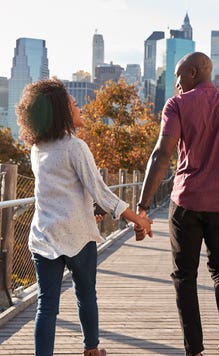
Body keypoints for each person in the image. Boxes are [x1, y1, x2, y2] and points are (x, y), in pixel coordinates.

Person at [134, 52, 219, 356]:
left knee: (184, 276)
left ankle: (194, 350)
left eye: (178, 75)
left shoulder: (177, 105)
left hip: (186, 202)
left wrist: (143, 205)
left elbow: (161, 155)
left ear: (193, 72)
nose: (176, 83)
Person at [16, 79, 152, 356]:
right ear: (61, 113)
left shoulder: (37, 150)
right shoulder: (75, 147)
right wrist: (138, 219)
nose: (80, 108)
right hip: (77, 237)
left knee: (47, 305)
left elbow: (59, 193)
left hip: (44, 237)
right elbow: (101, 192)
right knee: (86, 294)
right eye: (74, 105)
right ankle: (91, 349)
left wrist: (87, 211)